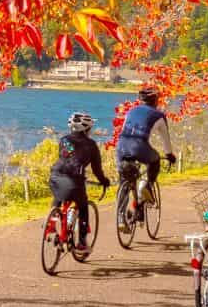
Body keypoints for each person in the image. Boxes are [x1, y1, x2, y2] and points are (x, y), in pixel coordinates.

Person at [49, 111, 110, 247]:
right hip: (74, 181)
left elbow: (67, 157)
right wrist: (104, 181)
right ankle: (82, 241)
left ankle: (50, 223)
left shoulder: (64, 140)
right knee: (83, 207)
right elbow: (96, 170)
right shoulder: (91, 145)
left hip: (55, 176)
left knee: (59, 195)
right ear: (87, 129)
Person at [115, 86, 177, 202]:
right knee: (155, 160)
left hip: (121, 146)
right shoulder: (158, 115)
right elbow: (166, 140)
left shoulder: (131, 111)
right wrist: (170, 155)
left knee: (124, 180)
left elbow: (123, 130)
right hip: (139, 145)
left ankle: (121, 216)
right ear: (155, 101)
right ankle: (148, 186)